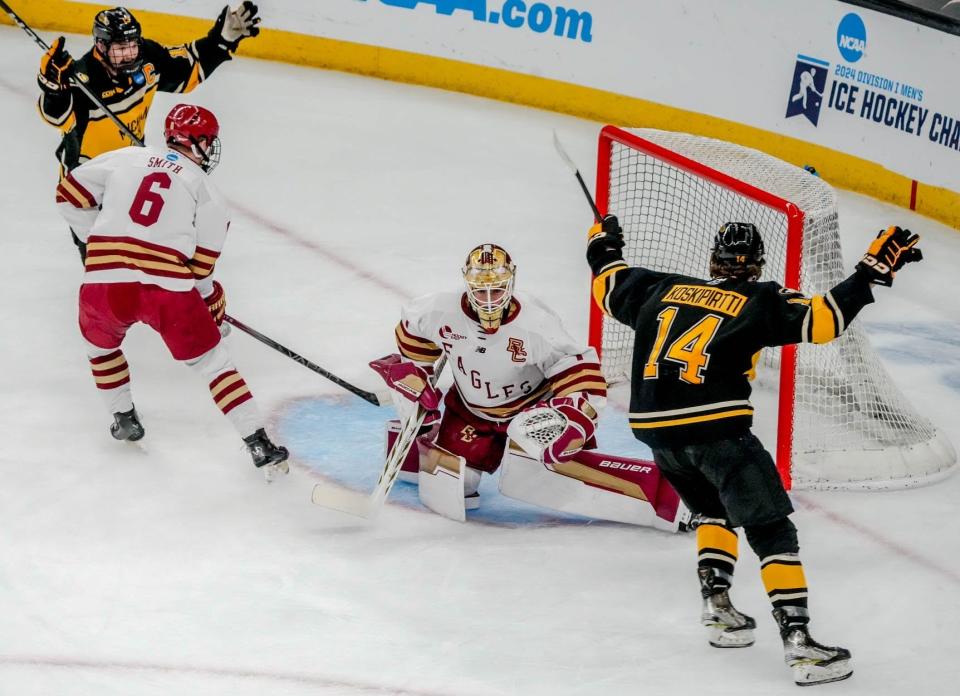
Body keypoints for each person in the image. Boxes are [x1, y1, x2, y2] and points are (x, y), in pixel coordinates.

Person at [586, 216, 922, 685]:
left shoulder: (659, 288)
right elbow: (825, 320)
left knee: (712, 511)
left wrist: (604, 243)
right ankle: (801, 644)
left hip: (655, 433)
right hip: (717, 431)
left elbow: (608, 282)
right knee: (771, 530)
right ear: (757, 264)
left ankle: (719, 610)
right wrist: (870, 272)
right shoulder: (761, 300)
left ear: (712, 262)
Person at [56, 102, 288, 478]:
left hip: (104, 282)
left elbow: (68, 193)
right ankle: (257, 442)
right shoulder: (208, 190)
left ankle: (124, 418)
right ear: (196, 143)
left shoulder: (126, 156)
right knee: (214, 364)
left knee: (100, 348)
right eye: (209, 142)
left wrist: (95, 241)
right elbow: (200, 269)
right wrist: (211, 301)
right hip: (166, 289)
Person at [372, 244, 608, 511]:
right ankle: (418, 445)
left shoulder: (537, 323)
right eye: (479, 290)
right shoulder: (439, 311)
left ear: (511, 281)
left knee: (557, 482)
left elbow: (575, 368)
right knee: (457, 488)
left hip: (532, 413)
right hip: (471, 413)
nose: (488, 300)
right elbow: (413, 333)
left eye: (496, 290)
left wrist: (577, 412)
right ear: (466, 282)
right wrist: (415, 375)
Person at [37, 4, 261, 258]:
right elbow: (56, 117)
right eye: (121, 48)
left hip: (128, 171)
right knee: (102, 255)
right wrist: (54, 89)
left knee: (139, 244)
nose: (130, 53)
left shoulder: (148, 59)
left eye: (133, 44)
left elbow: (186, 70)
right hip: (89, 181)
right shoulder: (84, 79)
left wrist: (221, 41)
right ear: (101, 45)